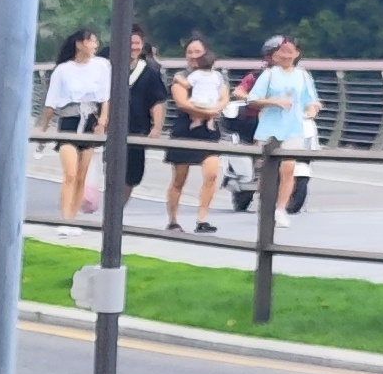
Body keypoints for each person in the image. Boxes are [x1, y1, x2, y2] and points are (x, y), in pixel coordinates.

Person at [243, 32, 319, 215]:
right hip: (269, 128)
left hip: (293, 128)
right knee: (268, 172)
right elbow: (252, 99)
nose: (286, 55)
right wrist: (274, 102)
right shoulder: (269, 75)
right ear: (276, 55)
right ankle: (266, 208)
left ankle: (280, 210)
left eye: (290, 52)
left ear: (297, 54)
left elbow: (312, 99)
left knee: (288, 168)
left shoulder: (303, 76)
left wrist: (312, 110)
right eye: (282, 52)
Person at [161, 36, 230, 232]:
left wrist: (216, 109)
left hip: (209, 130)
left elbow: (224, 97)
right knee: (179, 178)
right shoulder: (182, 77)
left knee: (211, 174)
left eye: (197, 52)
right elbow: (182, 102)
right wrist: (209, 112)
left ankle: (202, 219)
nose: (193, 56)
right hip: (186, 128)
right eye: (189, 52)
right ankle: (173, 219)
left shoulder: (217, 76)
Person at [44, 28, 106, 222]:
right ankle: (64, 218)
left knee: (81, 175)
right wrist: (42, 129)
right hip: (70, 121)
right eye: (91, 41)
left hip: (90, 120)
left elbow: (106, 97)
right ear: (80, 44)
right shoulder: (63, 70)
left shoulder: (101, 66)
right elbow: (51, 102)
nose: (95, 45)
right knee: (70, 173)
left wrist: (103, 121)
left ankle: (73, 217)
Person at [111, 26, 164, 224]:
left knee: (133, 175)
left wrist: (156, 127)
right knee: (114, 170)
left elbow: (157, 101)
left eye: (137, 43)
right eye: (130, 43)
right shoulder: (111, 67)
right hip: (115, 128)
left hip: (138, 128)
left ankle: (118, 209)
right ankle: (112, 210)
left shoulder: (149, 71)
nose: (133, 47)